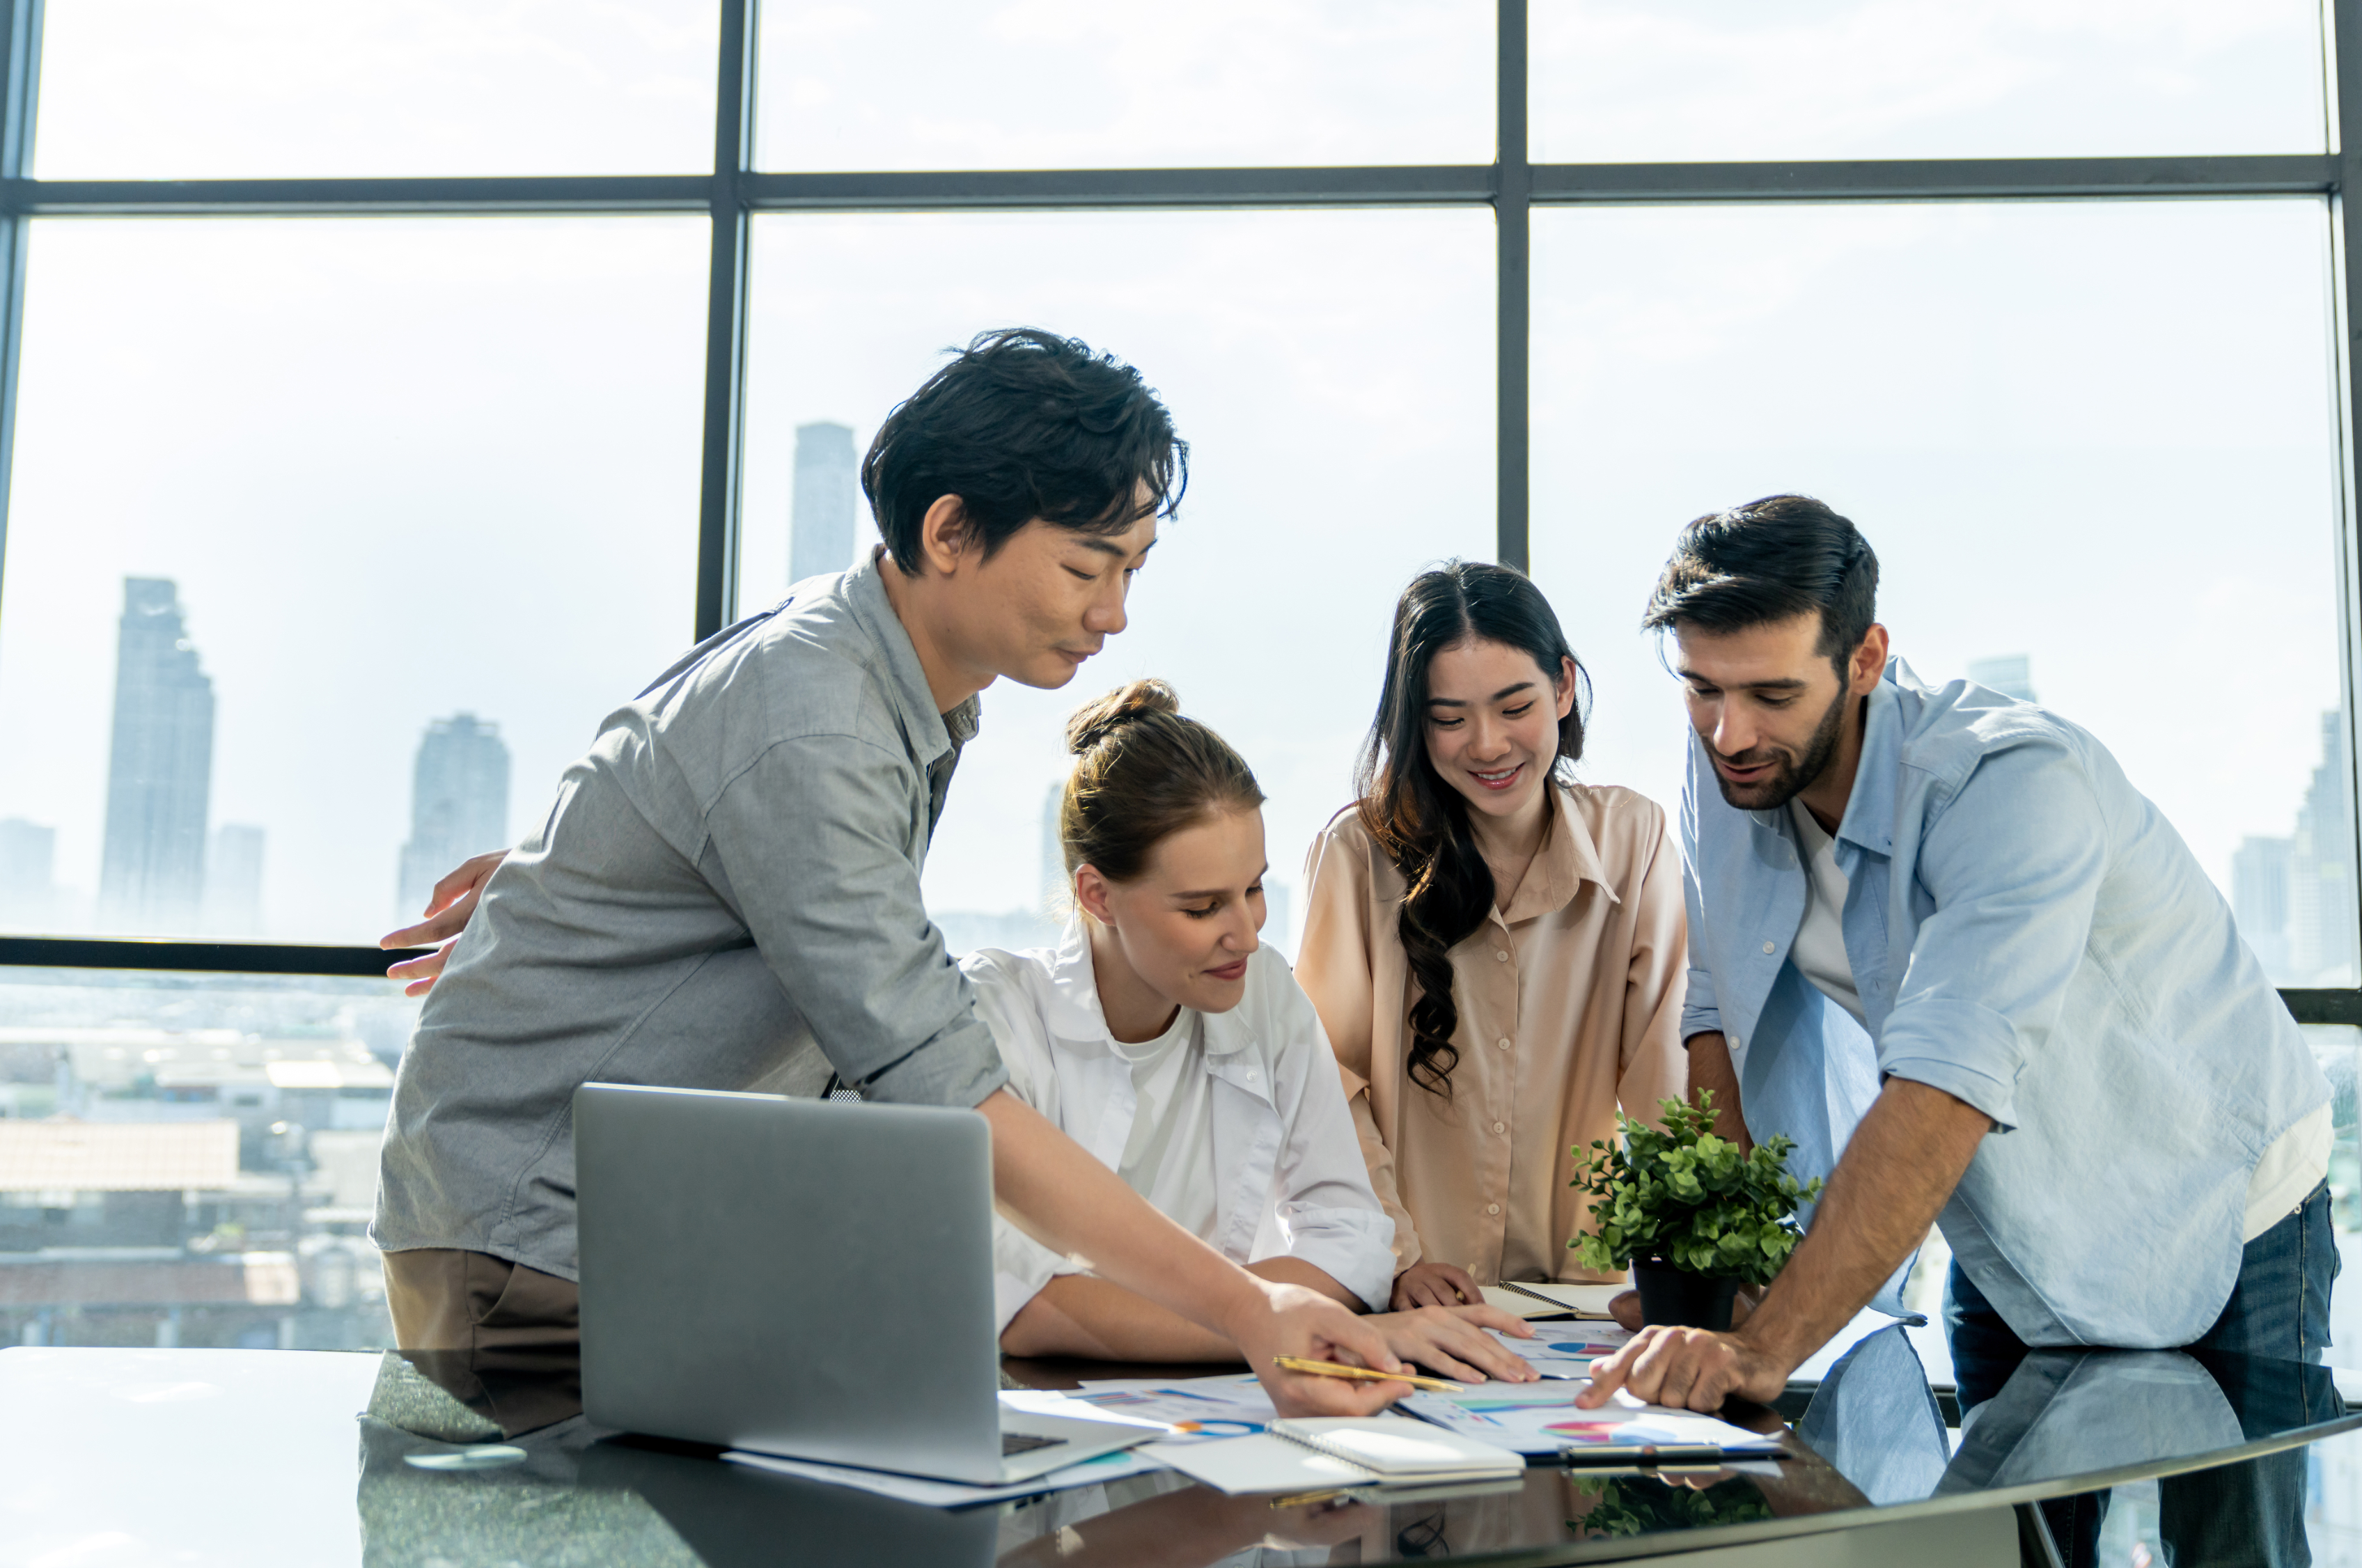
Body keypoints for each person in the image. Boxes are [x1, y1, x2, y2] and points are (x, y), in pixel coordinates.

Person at [370, 329, 1416, 1417]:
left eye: (1129, 570)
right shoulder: (820, 711)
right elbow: (947, 1096)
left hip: (633, 1220)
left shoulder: (881, 680)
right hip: (534, 1234)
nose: (1112, 612)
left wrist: (562, 886)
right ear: (950, 530)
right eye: (1083, 566)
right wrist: (1248, 1308)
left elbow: (695, 808)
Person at [1579, 496, 2333, 1562]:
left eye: (1770, 692)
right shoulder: (1732, 759)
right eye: (1700, 688)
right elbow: (1717, 1020)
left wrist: (1762, 1345)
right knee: (1999, 1546)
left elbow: (1941, 1087)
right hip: (2009, 1214)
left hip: (2216, 1195)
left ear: (1867, 657)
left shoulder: (2013, 783)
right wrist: (1731, 1269)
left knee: (2231, 1554)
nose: (1728, 731)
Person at [970, 679, 1539, 1383]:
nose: (1245, 932)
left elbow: (1354, 1241)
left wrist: (1269, 1319)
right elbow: (1019, 1308)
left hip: (1219, 1408)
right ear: (1097, 896)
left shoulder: (1261, 988)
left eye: (1253, 888)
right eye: (1203, 906)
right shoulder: (991, 1015)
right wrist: (1272, 1322)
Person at [1295, 561, 1691, 1312]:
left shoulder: (1630, 840)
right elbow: (1326, 1088)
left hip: (1579, 1299)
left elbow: (1665, 1079)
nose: (1486, 745)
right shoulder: (1357, 853)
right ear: (1414, 721)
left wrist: (1681, 1262)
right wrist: (1396, 1256)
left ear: (1563, 687)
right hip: (1405, 1299)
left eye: (1515, 707)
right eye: (1449, 718)